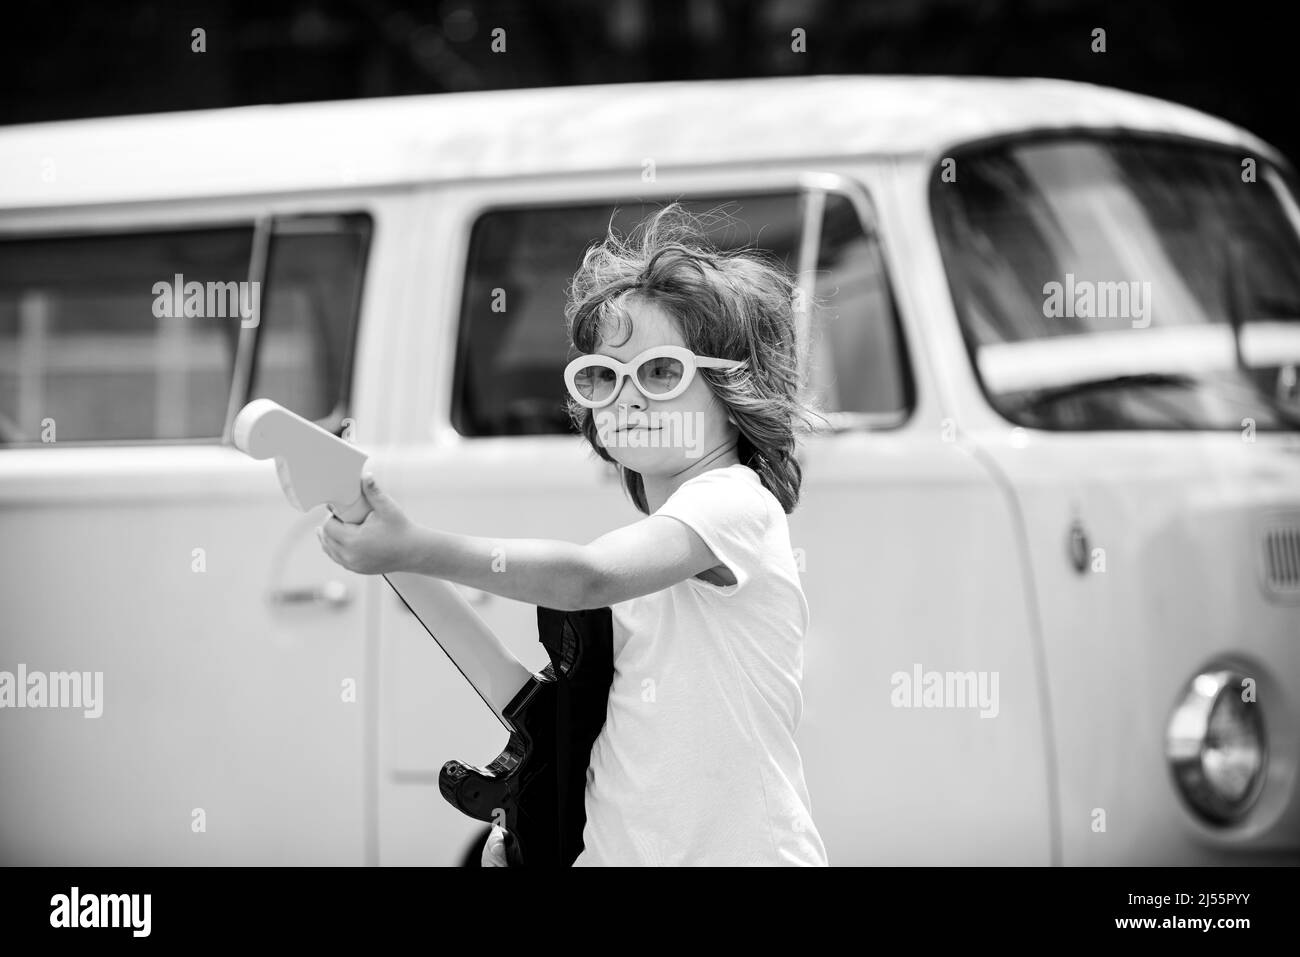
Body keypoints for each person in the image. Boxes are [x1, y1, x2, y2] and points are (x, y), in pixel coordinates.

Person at [318, 203, 829, 866]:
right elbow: (596, 733)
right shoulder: (661, 550)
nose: (627, 397)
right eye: (603, 377)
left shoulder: (733, 504)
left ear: (738, 388)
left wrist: (415, 547)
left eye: (661, 371)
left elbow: (584, 578)